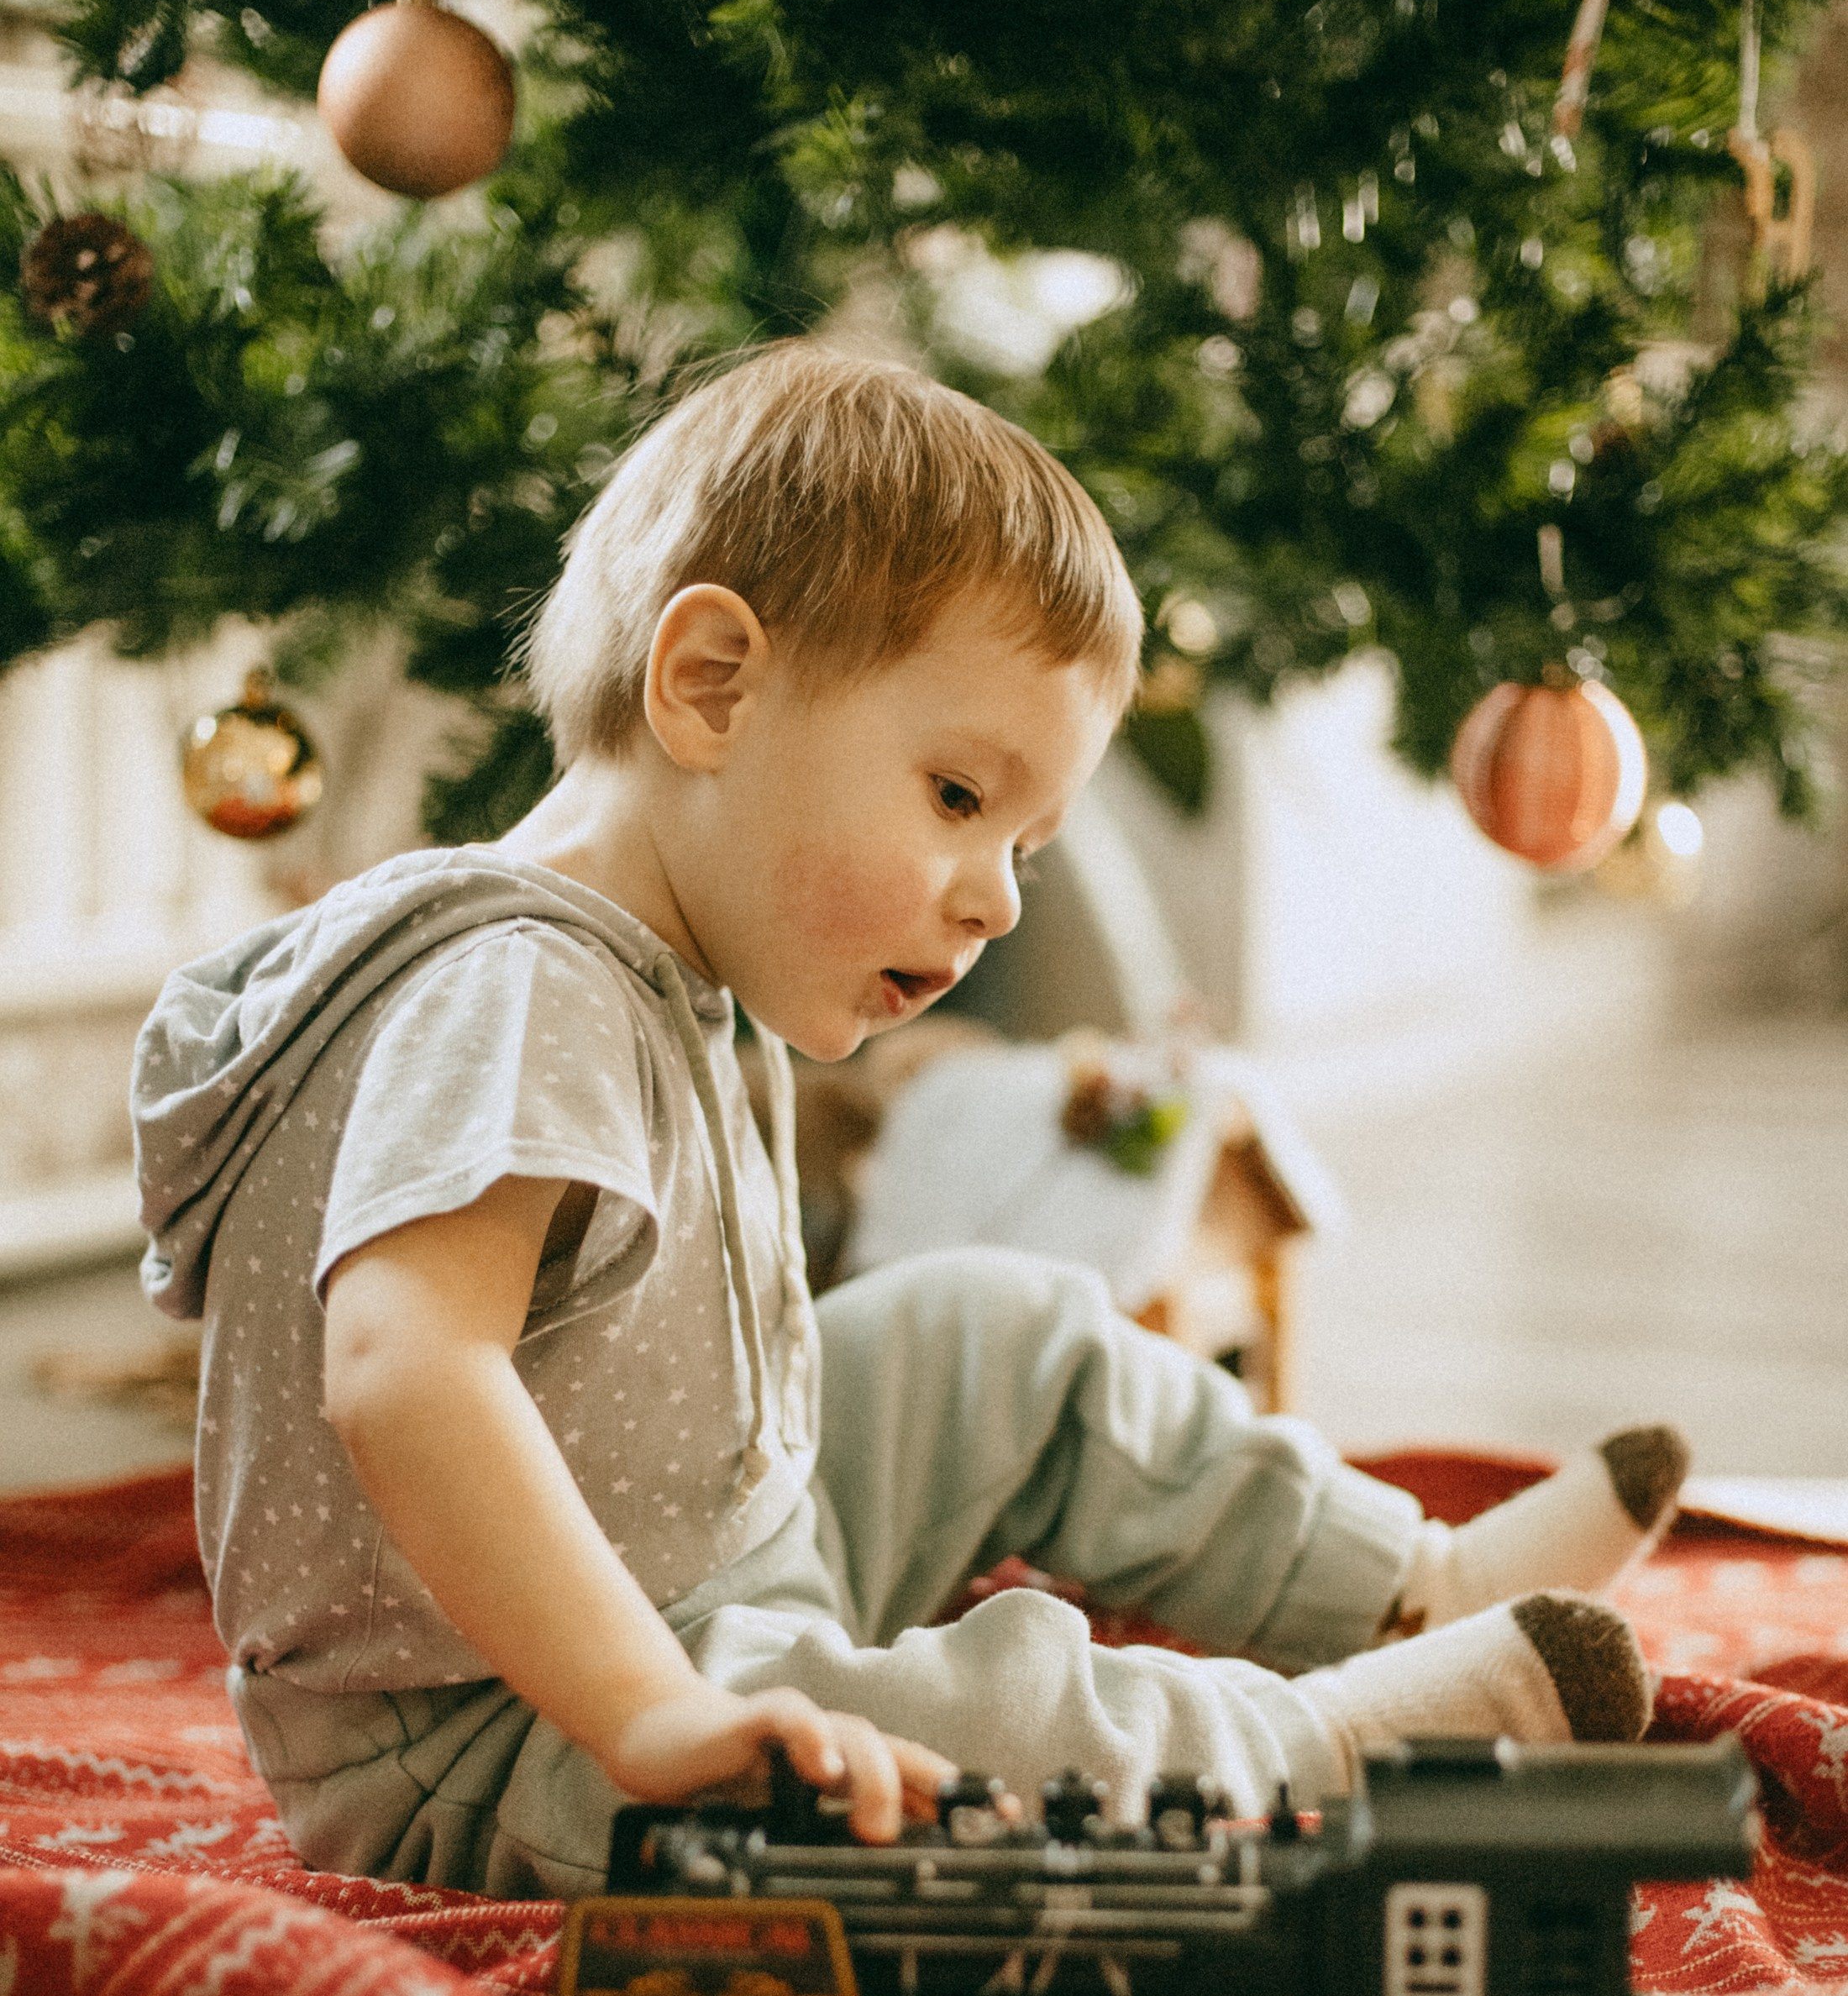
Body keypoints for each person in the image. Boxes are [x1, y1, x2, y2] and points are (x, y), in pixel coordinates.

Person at [132, 345, 1684, 1902]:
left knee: (1002, 1335)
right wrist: (654, 1711)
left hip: (705, 1562)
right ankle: (1322, 1753)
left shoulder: (642, 966)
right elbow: (406, 1370)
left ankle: (1411, 1585)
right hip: (500, 1731)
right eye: (958, 798)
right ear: (712, 687)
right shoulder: (519, 985)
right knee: (962, 1727)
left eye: (1027, 843)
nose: (999, 899)